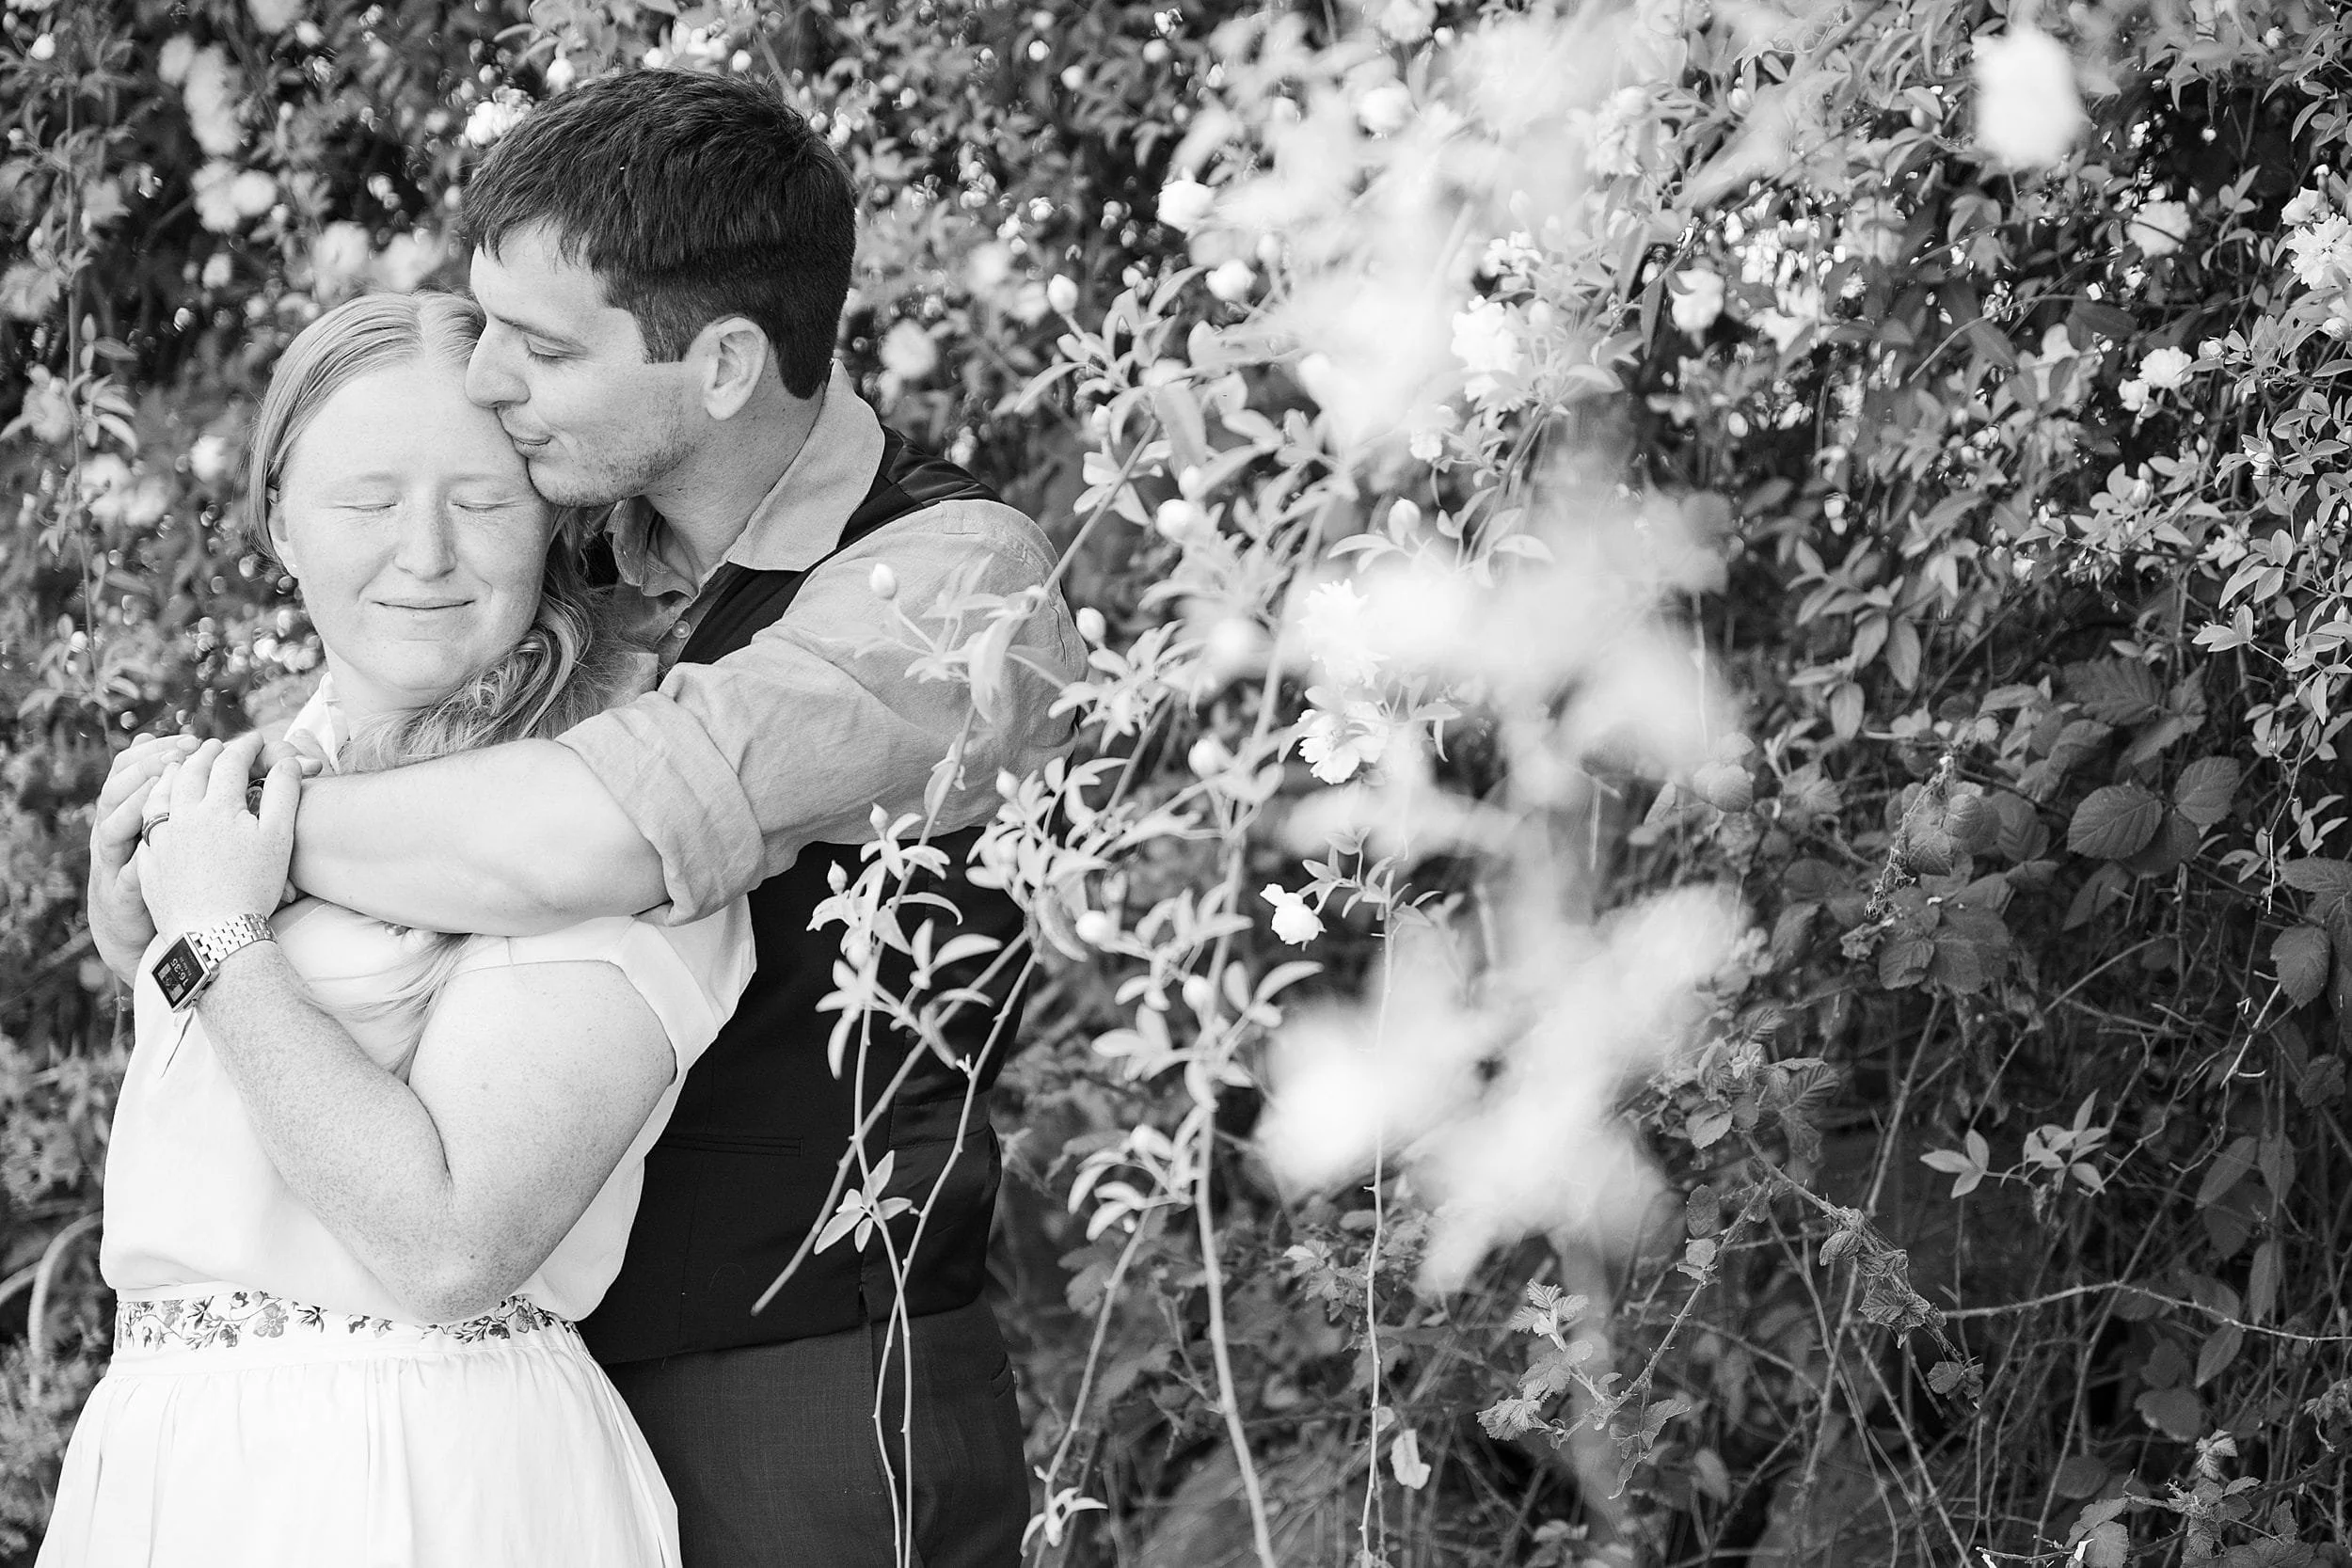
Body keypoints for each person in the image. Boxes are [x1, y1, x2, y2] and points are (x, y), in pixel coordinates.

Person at [182, 70, 1084, 1568]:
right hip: (523, 1402)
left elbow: (593, 831)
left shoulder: (953, 580)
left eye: (538, 348)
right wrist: (187, 843)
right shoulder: (580, 552)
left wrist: (246, 845)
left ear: (724, 363)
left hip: (803, 1399)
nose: (485, 383)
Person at [51, 291, 755, 1567]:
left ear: (551, 520)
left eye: (482, 502)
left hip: (428, 1474)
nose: (424, 553)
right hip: (168, 1466)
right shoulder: (251, 788)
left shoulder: (610, 807)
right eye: (368, 500)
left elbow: (449, 1245)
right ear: (276, 521)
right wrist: (144, 924)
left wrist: (211, 939)